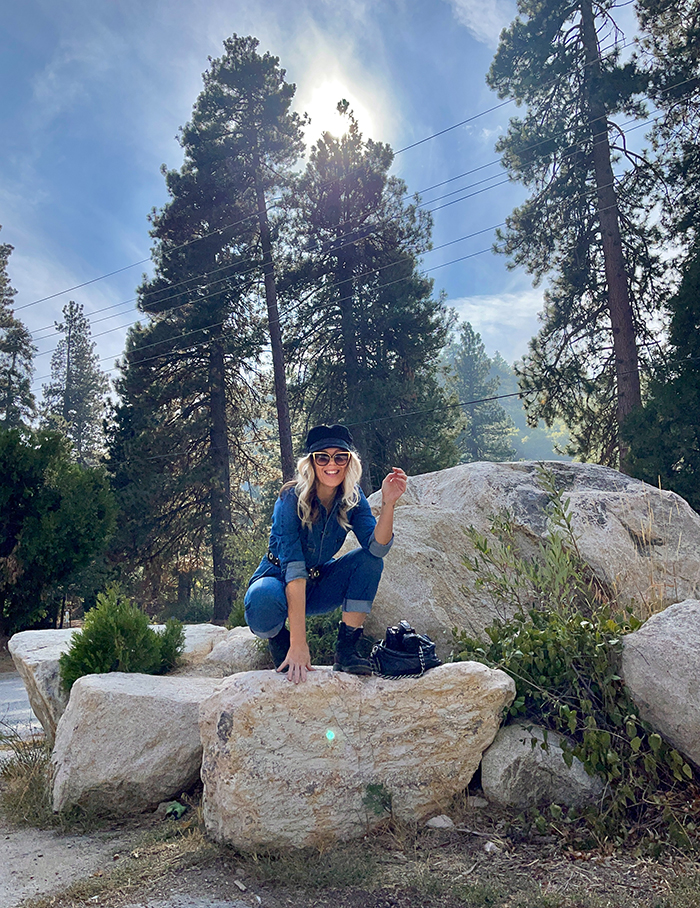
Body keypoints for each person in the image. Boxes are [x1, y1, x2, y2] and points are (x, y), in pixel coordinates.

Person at [245, 423, 407, 683]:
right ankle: (281, 642)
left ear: (349, 461)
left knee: (370, 561)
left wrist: (388, 503)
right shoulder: (289, 499)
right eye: (323, 457)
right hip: (278, 579)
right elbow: (294, 572)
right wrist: (299, 644)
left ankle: (346, 651)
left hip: (318, 583)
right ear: (311, 462)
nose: (332, 464)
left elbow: (377, 547)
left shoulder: (353, 496)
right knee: (261, 598)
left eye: (340, 456)